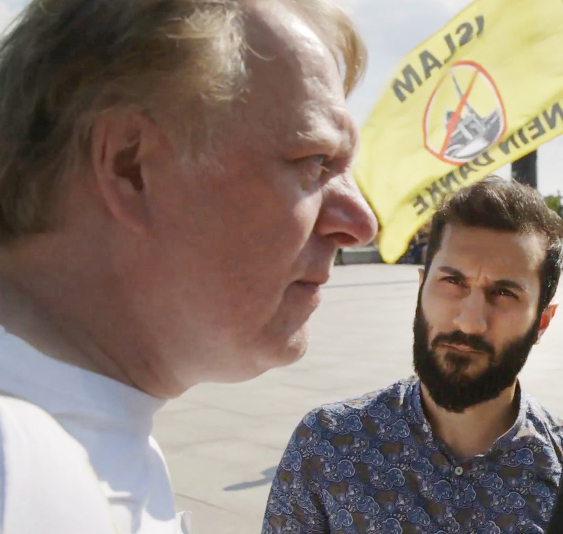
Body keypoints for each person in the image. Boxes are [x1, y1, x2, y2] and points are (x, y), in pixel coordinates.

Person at [0, 1, 378, 533]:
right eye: (315, 161)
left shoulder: (75, 430)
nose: (360, 222)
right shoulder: (17, 469)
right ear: (130, 165)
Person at [263, 179, 563, 533]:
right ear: (421, 288)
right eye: (453, 282)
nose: (470, 321)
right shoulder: (328, 447)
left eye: (505, 294)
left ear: (542, 321)